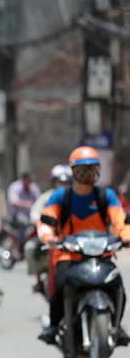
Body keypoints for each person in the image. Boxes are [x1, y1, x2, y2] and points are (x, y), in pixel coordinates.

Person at [37, 147, 130, 346]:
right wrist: (48, 236)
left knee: (118, 286)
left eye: (91, 169)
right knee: (61, 285)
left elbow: (120, 222)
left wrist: (126, 237)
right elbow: (46, 221)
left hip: (100, 254)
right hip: (67, 255)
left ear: (98, 171)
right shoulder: (61, 196)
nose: (87, 174)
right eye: (81, 169)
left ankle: (116, 325)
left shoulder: (107, 196)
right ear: (73, 171)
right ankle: (54, 326)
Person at [25, 164, 72, 293]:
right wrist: (43, 223)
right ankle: (39, 281)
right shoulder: (48, 197)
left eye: (66, 182)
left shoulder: (75, 197)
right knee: (30, 248)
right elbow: (35, 213)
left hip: (71, 237)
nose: (62, 185)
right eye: (60, 182)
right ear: (54, 182)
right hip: (50, 237)